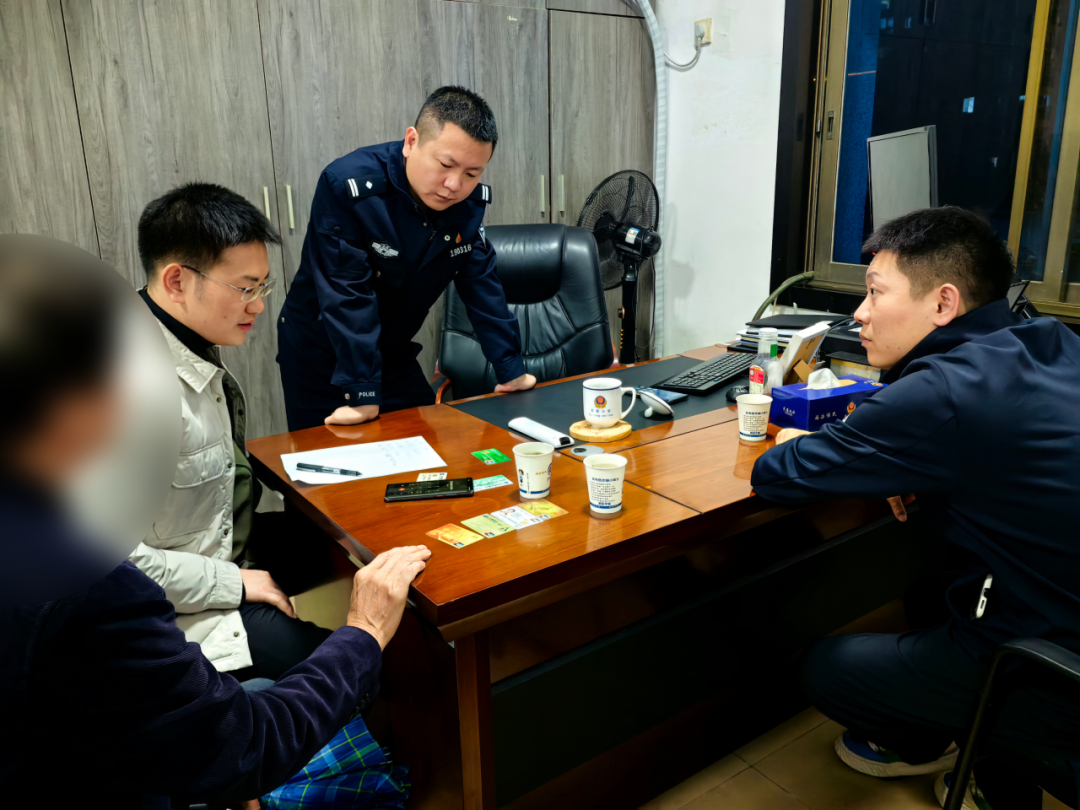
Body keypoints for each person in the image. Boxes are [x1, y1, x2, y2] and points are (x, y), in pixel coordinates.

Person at [0, 234, 431, 808]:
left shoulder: (186, 347)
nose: (259, 304)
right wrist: (363, 631)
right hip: (189, 602)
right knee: (372, 666)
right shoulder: (86, 579)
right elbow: (244, 748)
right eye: (245, 287)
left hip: (210, 564)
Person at [751, 207, 1080, 810]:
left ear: (943, 302)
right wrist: (914, 466)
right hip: (1059, 611)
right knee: (930, 589)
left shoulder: (943, 390)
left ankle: (976, 757)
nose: (860, 313)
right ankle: (980, 758)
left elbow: (778, 476)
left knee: (827, 667)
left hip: (1060, 671)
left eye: (876, 292)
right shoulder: (1053, 340)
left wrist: (797, 438)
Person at [133, 183, 343, 680]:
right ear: (177, 280)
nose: (259, 306)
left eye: (262, 288)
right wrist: (235, 584)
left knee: (349, 551)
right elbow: (106, 563)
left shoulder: (184, 337)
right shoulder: (123, 391)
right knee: (345, 668)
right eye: (246, 288)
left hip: (223, 545)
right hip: (179, 602)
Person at [277, 85, 536, 431]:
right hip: (321, 354)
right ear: (411, 141)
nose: (454, 185)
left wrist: (510, 369)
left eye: (472, 174)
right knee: (327, 461)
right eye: (446, 165)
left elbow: (481, 285)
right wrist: (363, 391)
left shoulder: (467, 204)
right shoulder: (349, 188)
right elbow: (346, 292)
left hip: (392, 352)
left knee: (425, 453)